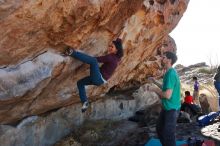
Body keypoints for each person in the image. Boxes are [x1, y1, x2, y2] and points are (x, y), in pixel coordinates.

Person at [64, 38, 123, 112]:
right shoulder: (117, 58)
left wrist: (86, 57)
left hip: (98, 78)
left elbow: (96, 59)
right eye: (110, 46)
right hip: (99, 80)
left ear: (116, 50)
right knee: (80, 83)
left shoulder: (111, 57)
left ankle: (72, 53)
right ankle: (85, 102)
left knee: (93, 61)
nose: (110, 48)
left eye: (112, 47)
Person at [146, 51, 181, 146]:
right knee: (160, 129)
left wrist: (154, 89)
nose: (161, 58)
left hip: (172, 108)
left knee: (168, 134)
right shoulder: (169, 72)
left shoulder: (170, 74)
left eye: (164, 57)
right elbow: (166, 87)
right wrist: (155, 82)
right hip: (167, 107)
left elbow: (167, 95)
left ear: (169, 60)